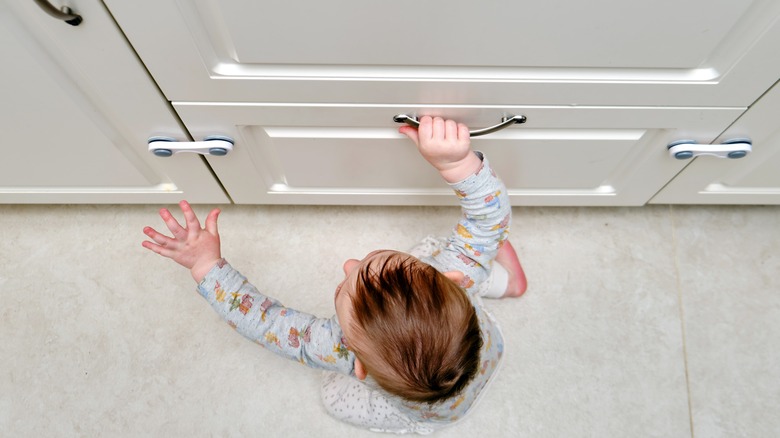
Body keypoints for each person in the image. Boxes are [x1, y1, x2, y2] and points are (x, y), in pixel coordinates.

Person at [141, 116, 527, 434]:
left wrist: (206, 267)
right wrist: (456, 164)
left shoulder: (338, 349)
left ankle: (500, 279)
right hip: (487, 351)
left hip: (434, 414)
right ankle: (507, 283)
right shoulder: (451, 273)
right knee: (445, 251)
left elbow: (264, 321)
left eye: (345, 287)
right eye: (366, 263)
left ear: (359, 365)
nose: (347, 264)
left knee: (334, 398)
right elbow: (489, 216)